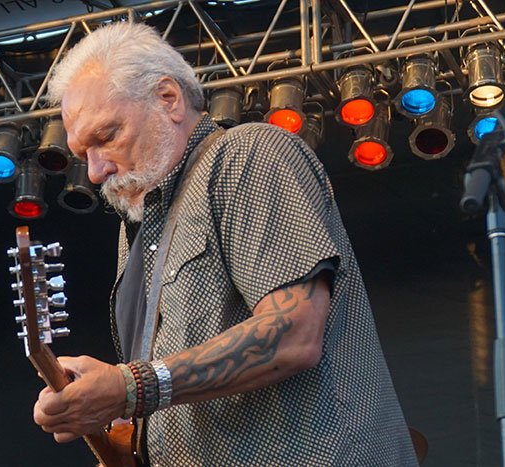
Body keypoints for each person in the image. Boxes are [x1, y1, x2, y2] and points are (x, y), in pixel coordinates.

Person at [33, 21, 418, 466]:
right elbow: (166, 401)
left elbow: (294, 334)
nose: (97, 171)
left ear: (168, 99)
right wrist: (114, 427)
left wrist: (129, 387)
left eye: (106, 137)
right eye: (84, 156)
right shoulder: (137, 226)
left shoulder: (247, 154)